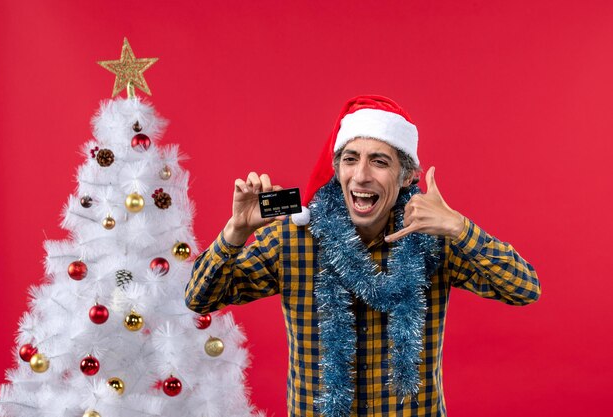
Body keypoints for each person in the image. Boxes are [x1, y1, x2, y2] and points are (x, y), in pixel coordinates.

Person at [185, 95, 541, 417]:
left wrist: (460, 228)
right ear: (337, 170)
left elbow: (524, 288)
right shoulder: (292, 239)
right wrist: (235, 232)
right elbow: (200, 298)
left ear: (406, 177)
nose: (362, 176)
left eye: (379, 162)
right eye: (351, 160)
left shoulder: (435, 239)